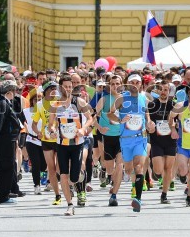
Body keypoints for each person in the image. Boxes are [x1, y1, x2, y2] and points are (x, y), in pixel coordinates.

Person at [48, 75, 93, 216]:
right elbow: (51, 124)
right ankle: (70, 204)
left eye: (70, 86)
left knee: (74, 177)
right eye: (65, 86)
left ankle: (81, 176)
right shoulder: (55, 105)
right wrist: (53, 131)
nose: (68, 89)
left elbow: (90, 118)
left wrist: (83, 129)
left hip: (77, 143)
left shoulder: (78, 101)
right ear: (60, 88)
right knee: (64, 176)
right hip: (62, 144)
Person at [108, 73, 149, 212]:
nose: (135, 85)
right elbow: (110, 113)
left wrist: (150, 123)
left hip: (140, 138)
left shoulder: (144, 98)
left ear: (141, 84)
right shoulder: (121, 98)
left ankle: (138, 199)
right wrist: (120, 120)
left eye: (138, 82)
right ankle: (128, 180)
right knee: (129, 169)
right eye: (133, 82)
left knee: (139, 167)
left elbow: (146, 113)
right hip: (125, 140)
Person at [0, 80, 23, 204]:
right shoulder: (2, 103)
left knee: (6, 167)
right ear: (9, 92)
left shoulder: (4, 103)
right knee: (6, 168)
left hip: (7, 140)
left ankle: (4, 194)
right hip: (5, 140)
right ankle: (3, 196)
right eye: (14, 91)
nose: (15, 94)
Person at [32, 81, 62, 205]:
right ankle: (57, 195)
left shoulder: (60, 103)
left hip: (60, 139)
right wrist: (38, 132)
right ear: (45, 91)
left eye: (55, 88)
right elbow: (34, 124)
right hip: (46, 139)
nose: (53, 91)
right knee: (51, 169)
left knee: (61, 169)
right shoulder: (38, 105)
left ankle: (67, 186)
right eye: (51, 89)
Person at [147, 81, 177, 204]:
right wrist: (150, 126)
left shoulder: (173, 105)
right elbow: (147, 119)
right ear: (158, 91)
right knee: (159, 170)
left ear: (169, 91)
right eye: (162, 89)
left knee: (168, 169)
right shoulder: (152, 105)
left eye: (166, 89)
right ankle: (155, 171)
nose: (164, 92)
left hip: (170, 141)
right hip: (157, 141)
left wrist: (175, 127)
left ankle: (164, 195)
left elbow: (179, 119)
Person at [95, 75, 123, 207]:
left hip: (122, 136)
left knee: (120, 164)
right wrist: (100, 128)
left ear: (121, 85)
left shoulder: (125, 99)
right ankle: (111, 178)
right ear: (109, 85)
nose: (115, 86)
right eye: (112, 84)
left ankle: (114, 195)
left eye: (117, 83)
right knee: (110, 167)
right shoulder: (104, 99)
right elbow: (92, 116)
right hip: (107, 137)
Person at [23, 88, 47, 195]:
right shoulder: (26, 111)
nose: (38, 101)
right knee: (36, 164)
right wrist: (24, 127)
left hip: (45, 140)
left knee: (44, 165)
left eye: (40, 99)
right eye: (36, 99)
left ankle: (44, 176)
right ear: (32, 101)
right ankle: (36, 185)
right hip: (31, 140)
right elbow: (19, 121)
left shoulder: (46, 110)